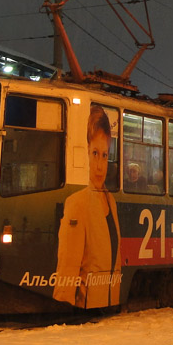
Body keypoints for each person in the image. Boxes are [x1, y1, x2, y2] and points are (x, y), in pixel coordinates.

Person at [53, 105, 121, 308]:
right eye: (95, 153)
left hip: (107, 312)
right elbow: (67, 271)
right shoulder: (77, 203)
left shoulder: (111, 202)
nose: (100, 166)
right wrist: (63, 312)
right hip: (84, 309)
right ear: (86, 154)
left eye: (105, 155)